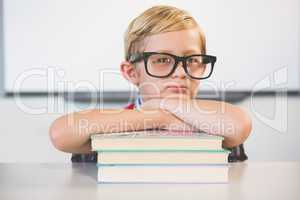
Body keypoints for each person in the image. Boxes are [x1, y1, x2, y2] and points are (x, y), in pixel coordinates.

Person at [49, 5, 252, 163]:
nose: (181, 73)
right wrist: (162, 118)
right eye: (162, 60)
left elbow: (239, 124)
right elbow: (61, 133)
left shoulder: (218, 126)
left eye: (192, 60)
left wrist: (166, 104)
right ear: (131, 72)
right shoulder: (109, 127)